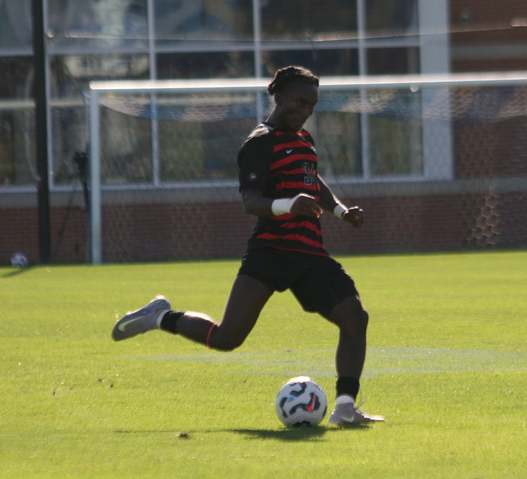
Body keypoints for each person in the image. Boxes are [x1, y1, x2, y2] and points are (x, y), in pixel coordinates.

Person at [111, 66, 383, 426]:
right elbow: (250, 201)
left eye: (312, 105)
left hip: (311, 254)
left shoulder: (304, 140)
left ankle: (345, 408)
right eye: (299, 102)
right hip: (270, 252)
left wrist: (341, 210)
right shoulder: (260, 142)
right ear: (280, 97)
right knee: (227, 337)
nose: (305, 111)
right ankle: (160, 317)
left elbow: (311, 180)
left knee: (355, 317)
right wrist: (288, 205)